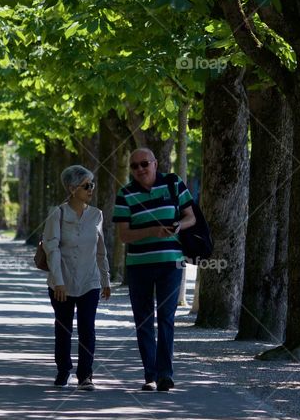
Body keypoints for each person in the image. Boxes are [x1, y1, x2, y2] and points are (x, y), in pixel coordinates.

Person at [114, 148, 196, 392]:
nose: (139, 169)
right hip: (138, 266)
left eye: (144, 164)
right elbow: (123, 235)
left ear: (155, 163)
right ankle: (150, 375)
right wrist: (152, 231)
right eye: (134, 166)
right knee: (144, 320)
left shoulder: (173, 184)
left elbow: (191, 217)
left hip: (170, 264)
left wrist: (179, 225)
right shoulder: (125, 194)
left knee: (166, 318)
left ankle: (165, 375)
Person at [44, 165, 111, 391]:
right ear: (73, 189)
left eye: (92, 184)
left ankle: (86, 375)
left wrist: (106, 280)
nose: (91, 189)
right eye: (86, 185)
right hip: (62, 281)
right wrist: (58, 280)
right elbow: (51, 249)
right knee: (63, 328)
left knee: (87, 328)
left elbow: (101, 250)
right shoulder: (58, 214)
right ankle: (63, 369)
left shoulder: (97, 215)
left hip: (89, 281)